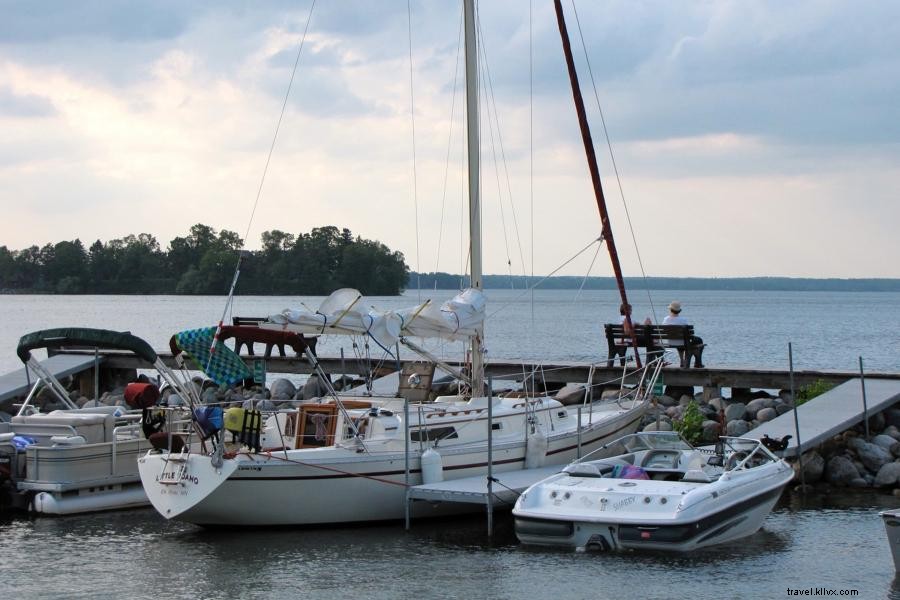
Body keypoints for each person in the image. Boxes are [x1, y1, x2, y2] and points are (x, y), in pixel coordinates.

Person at [662, 300, 704, 367]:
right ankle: (698, 363)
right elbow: (689, 334)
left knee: (681, 339)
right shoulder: (683, 320)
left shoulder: (665, 319)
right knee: (699, 340)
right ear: (679, 311)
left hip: (670, 342)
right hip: (682, 342)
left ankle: (682, 360)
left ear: (670, 310)